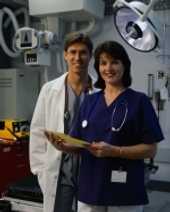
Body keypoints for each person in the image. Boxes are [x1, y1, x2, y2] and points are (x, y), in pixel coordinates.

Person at [67, 41, 164, 212]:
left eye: (114, 62)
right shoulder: (90, 101)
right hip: (91, 189)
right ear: (98, 67)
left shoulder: (139, 101)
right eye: (103, 63)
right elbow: (78, 144)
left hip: (125, 191)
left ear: (124, 65)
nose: (108, 68)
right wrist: (62, 144)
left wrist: (115, 151)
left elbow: (150, 150)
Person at [29, 32, 93, 212]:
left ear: (90, 55)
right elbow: (37, 131)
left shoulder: (100, 91)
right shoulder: (49, 90)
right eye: (72, 52)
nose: (77, 58)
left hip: (89, 172)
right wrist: (40, 171)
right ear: (65, 55)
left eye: (83, 52)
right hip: (59, 173)